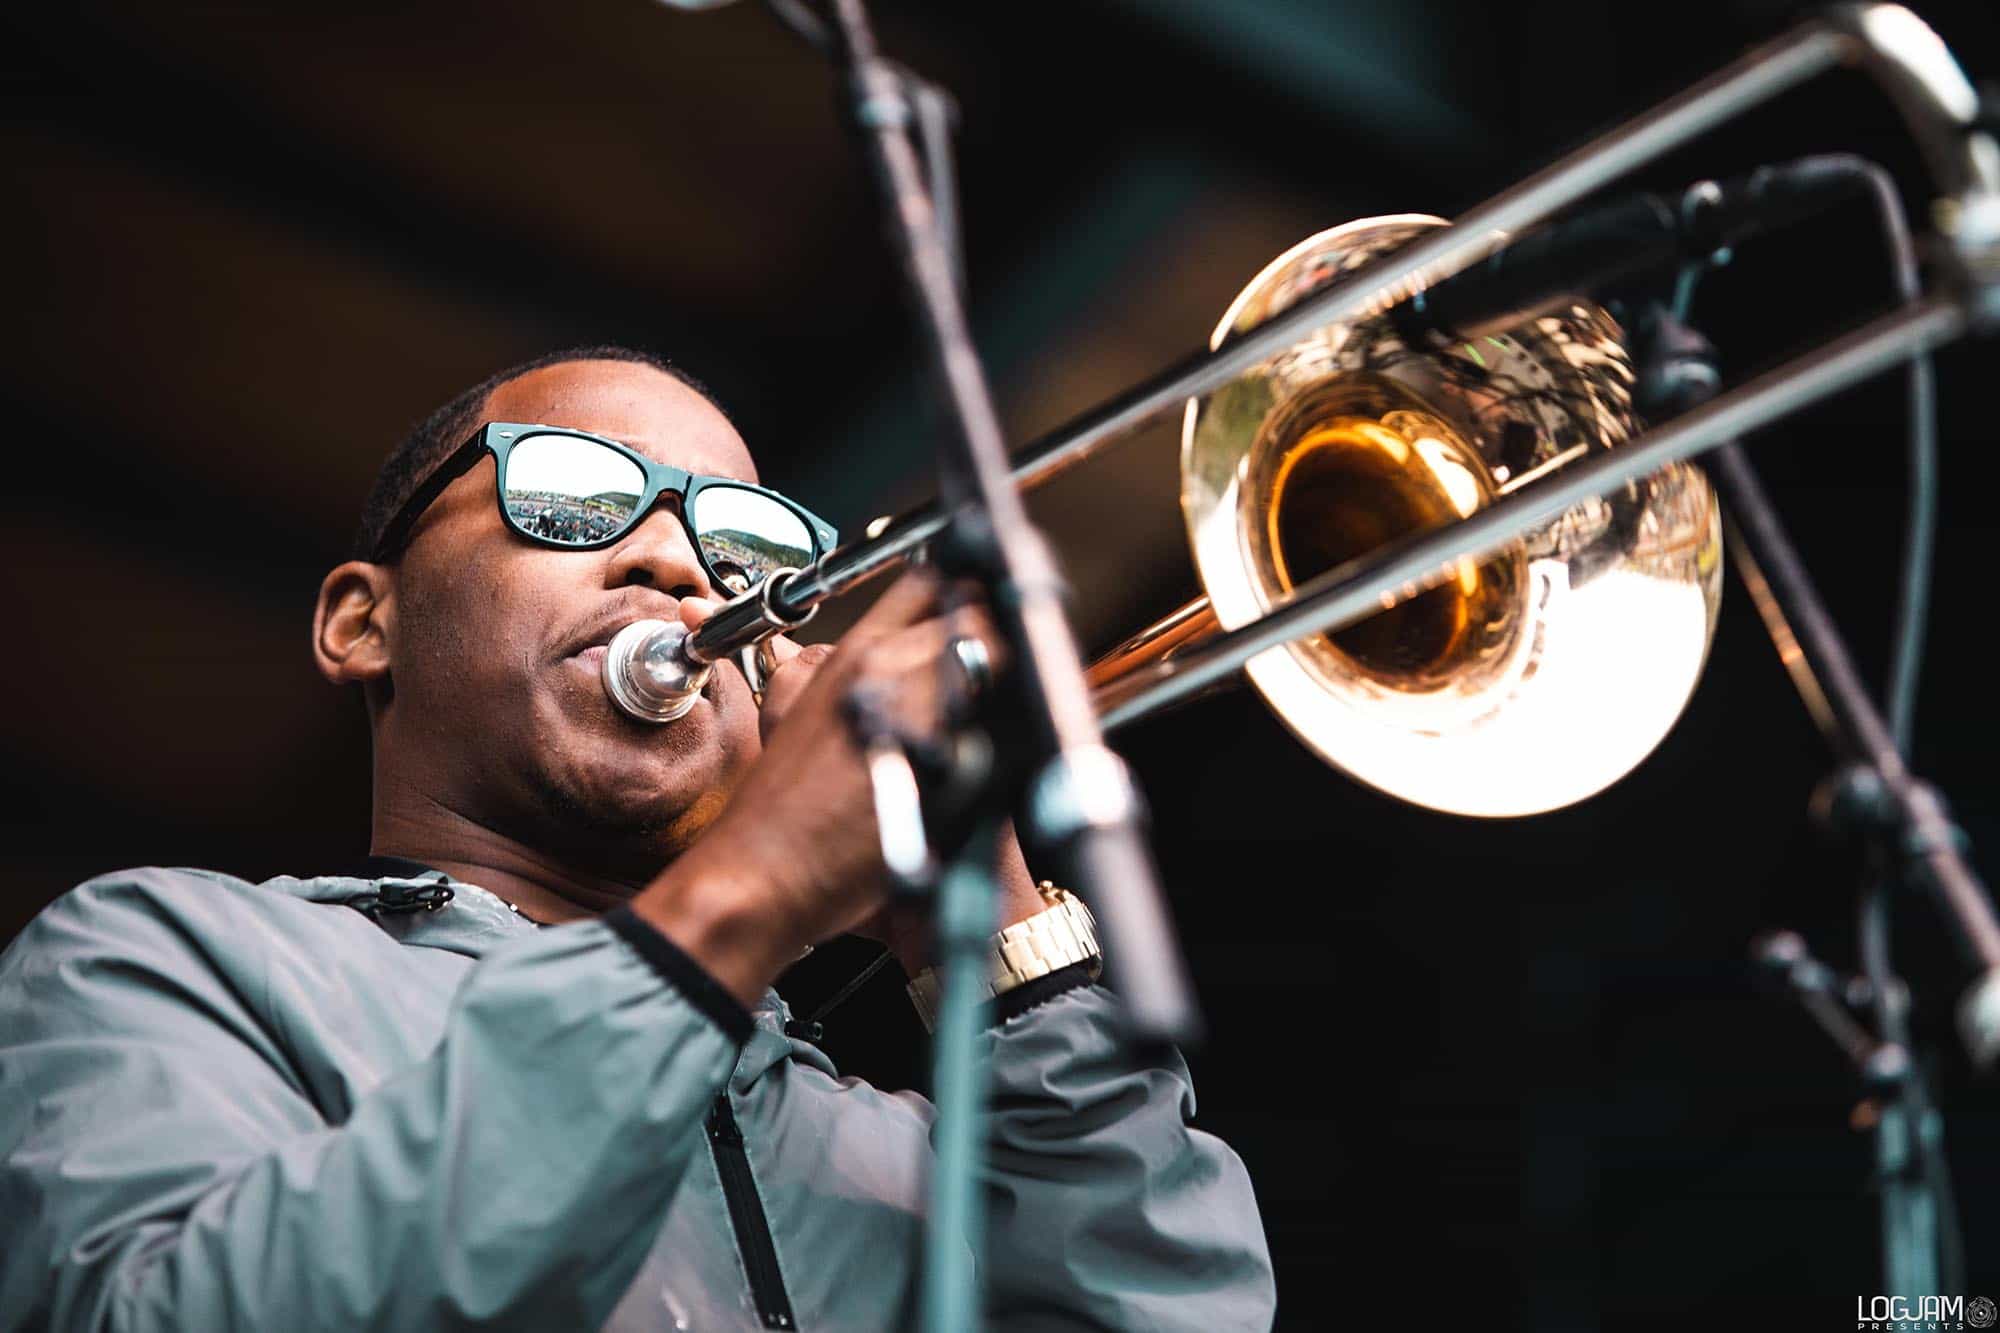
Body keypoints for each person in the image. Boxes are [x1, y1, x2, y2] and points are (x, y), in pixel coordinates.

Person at [0, 348, 1276, 1330]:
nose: (675, 560)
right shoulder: (166, 954)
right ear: (360, 623)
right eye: (568, 492)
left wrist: (1005, 938)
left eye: (739, 539)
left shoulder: (904, 1159)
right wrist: (754, 885)